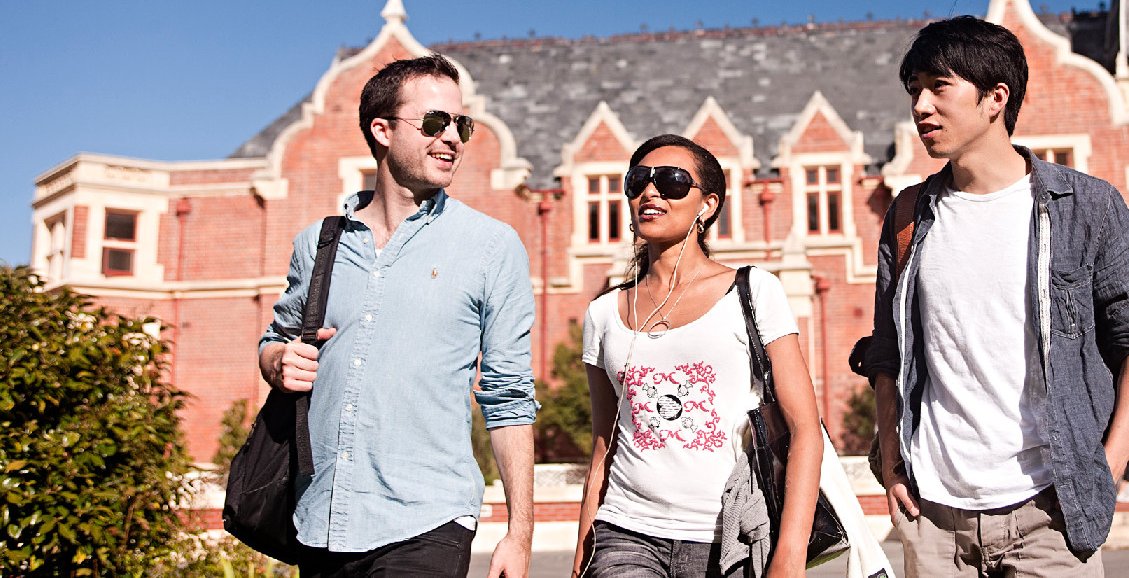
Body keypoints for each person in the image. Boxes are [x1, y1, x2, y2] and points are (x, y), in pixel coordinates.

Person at [863, 16, 1129, 575]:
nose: (921, 108)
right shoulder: (908, 215)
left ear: (994, 98)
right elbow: (888, 353)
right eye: (914, 91)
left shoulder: (1088, 207)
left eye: (939, 87)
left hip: (1050, 510)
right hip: (934, 513)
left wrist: (1109, 464)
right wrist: (890, 458)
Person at [258, 55, 537, 578]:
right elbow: (276, 338)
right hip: (321, 519)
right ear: (381, 130)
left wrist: (519, 533)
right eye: (434, 122)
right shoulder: (318, 246)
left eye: (462, 125)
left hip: (428, 519)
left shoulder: (491, 247)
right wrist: (276, 361)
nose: (452, 137)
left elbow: (509, 395)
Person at [572, 135, 822, 578]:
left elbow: (805, 429)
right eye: (638, 181)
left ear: (707, 205)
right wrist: (581, 560)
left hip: (730, 538)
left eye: (670, 181)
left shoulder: (754, 291)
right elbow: (603, 449)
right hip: (625, 533)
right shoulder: (603, 313)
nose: (650, 192)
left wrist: (789, 557)